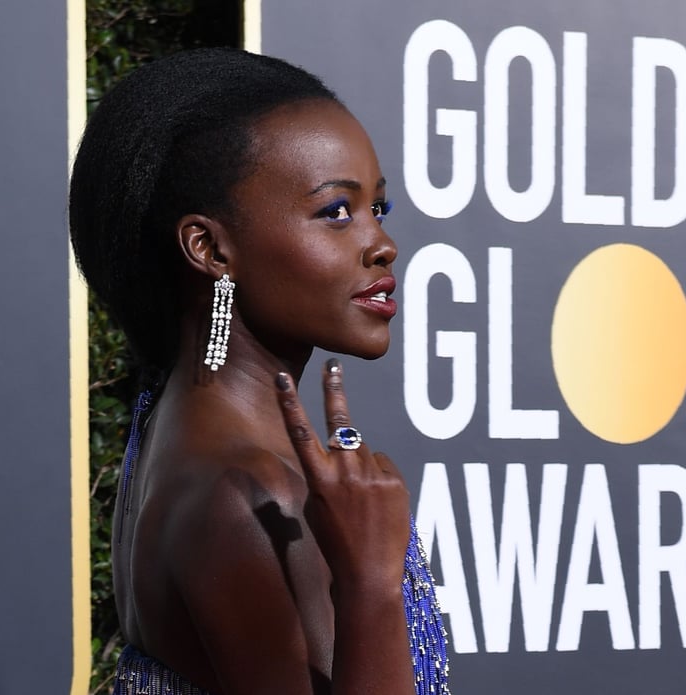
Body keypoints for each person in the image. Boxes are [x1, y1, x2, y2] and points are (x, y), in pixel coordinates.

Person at [69, 48, 450, 695]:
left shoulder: (176, 431)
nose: (382, 244)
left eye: (376, 209)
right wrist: (374, 585)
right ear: (211, 249)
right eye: (336, 211)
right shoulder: (249, 496)